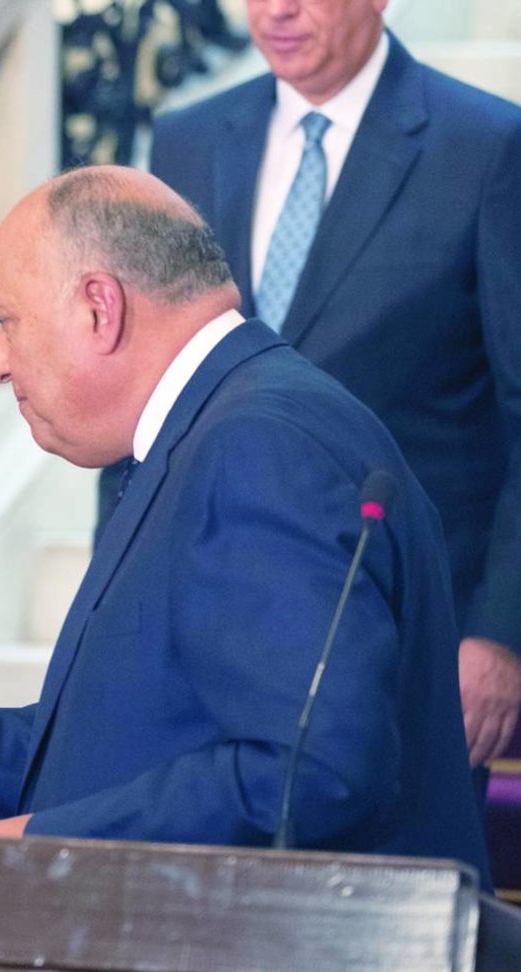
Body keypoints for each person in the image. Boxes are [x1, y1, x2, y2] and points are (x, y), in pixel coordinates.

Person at [0, 167, 489, 881]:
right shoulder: (223, 426)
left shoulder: (256, 444)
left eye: (6, 320)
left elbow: (312, 768)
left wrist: (45, 843)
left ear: (100, 307)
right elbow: (122, 745)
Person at [102, 0, 521, 768]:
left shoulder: (488, 145)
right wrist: (115, 603)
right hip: (207, 625)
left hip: (405, 631)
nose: (278, 10)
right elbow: (141, 389)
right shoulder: (187, 139)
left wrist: (501, 634)